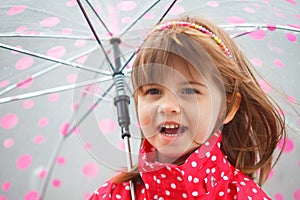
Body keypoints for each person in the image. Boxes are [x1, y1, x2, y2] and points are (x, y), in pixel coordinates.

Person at [89, 16, 286, 200]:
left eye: (190, 91)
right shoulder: (114, 195)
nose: (168, 106)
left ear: (228, 107)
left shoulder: (244, 195)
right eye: (154, 91)